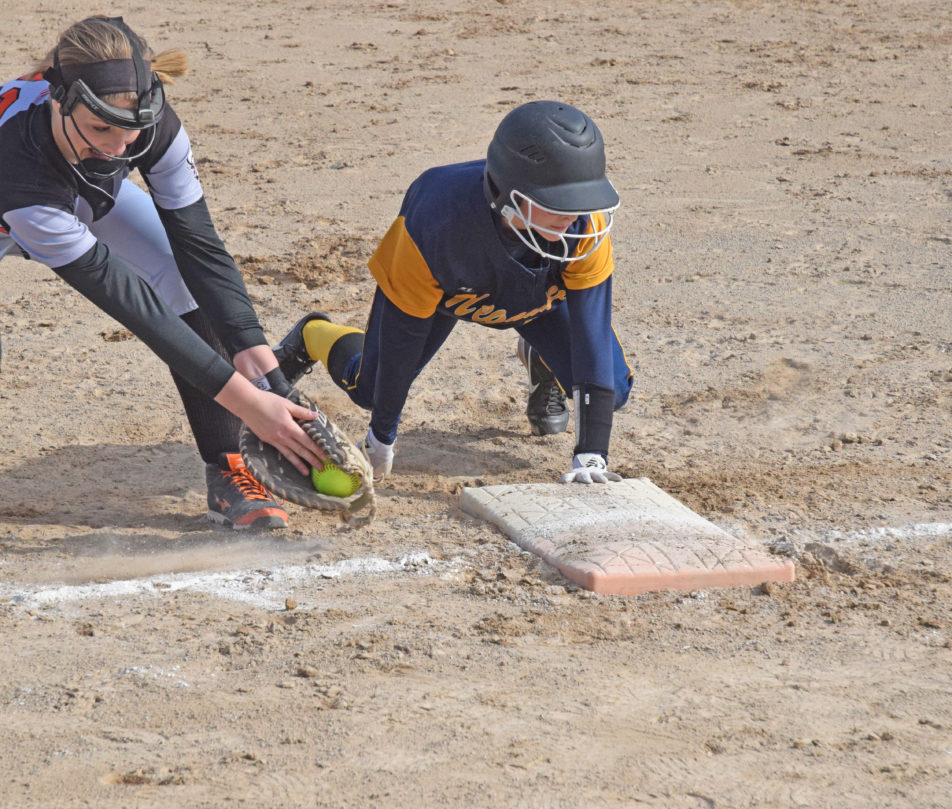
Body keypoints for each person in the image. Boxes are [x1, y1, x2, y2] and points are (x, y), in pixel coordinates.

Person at [0, 16, 327, 529]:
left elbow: (201, 248)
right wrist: (251, 405)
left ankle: (229, 468)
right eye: (101, 128)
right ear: (57, 100)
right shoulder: (18, 164)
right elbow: (138, 309)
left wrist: (263, 366)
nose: (117, 148)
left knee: (177, 273)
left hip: (68, 193)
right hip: (25, 196)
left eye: (129, 130)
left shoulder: (147, 120)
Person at [273, 100, 634, 484]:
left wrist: (591, 455)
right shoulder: (435, 223)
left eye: (582, 200)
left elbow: (592, 335)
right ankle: (313, 334)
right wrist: (381, 437)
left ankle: (542, 359)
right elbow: (402, 338)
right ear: (510, 195)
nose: (575, 215)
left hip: (541, 303)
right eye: (560, 204)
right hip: (445, 299)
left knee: (610, 392)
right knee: (371, 391)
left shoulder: (583, 224)